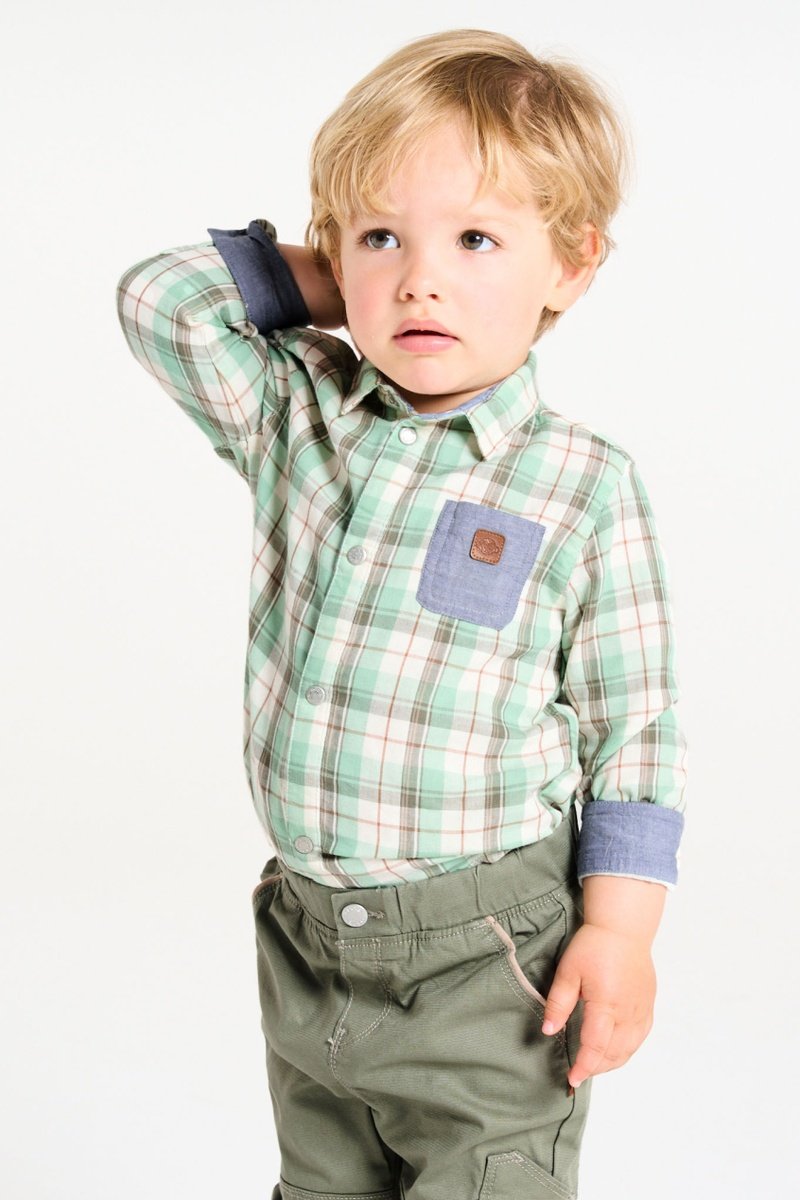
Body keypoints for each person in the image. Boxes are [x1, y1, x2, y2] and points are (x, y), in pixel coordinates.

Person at [116, 28, 687, 1200]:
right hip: (308, 941)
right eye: (384, 237)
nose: (421, 279)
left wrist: (619, 932)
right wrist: (344, 275)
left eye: (475, 240)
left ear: (570, 264)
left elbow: (635, 731)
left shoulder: (579, 483)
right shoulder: (298, 416)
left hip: (488, 956)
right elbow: (160, 300)